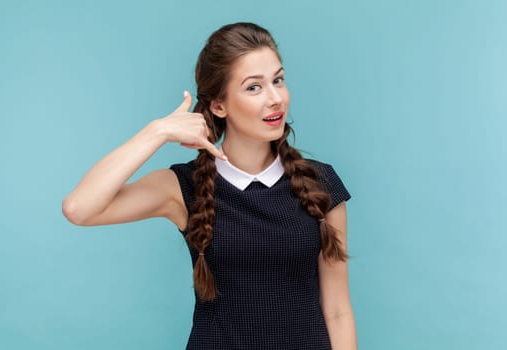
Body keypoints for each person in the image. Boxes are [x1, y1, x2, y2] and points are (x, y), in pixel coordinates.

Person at [62, 22, 357, 350]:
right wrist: (157, 131)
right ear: (219, 105)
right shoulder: (182, 187)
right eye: (254, 88)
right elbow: (79, 208)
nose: (275, 98)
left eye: (278, 80)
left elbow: (338, 311)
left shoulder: (320, 184)